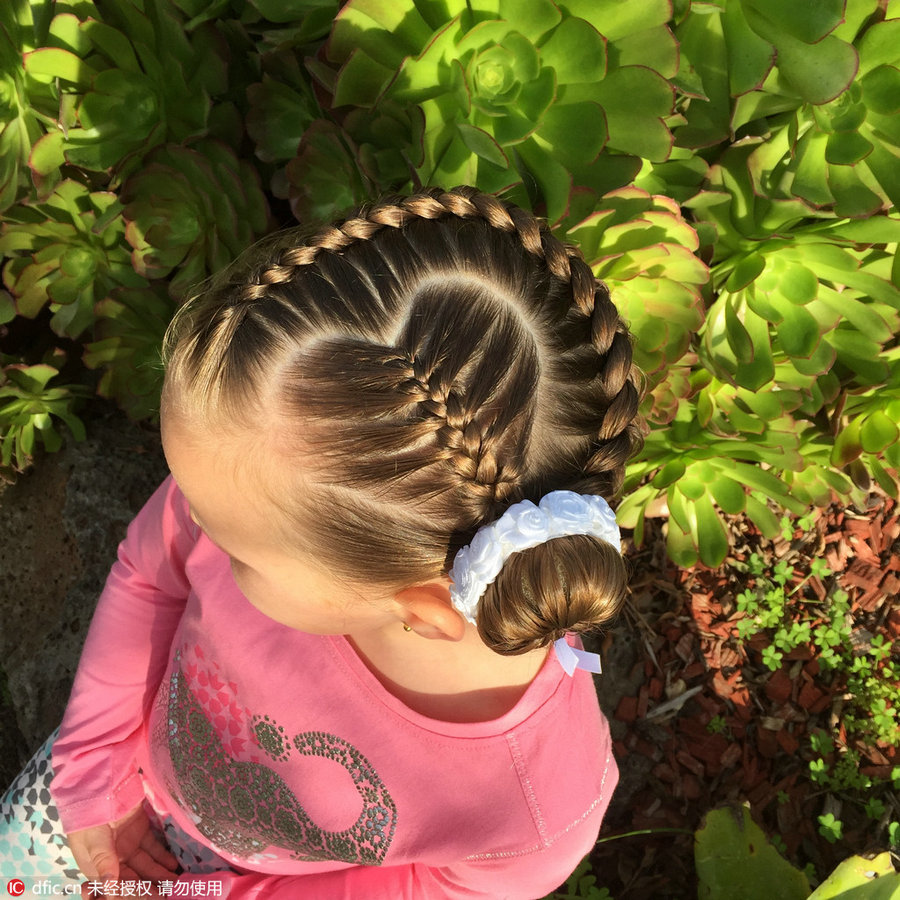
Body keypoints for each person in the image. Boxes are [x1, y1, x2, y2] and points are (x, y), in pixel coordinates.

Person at [0, 186, 642, 898]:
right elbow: (149, 574)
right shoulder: (266, 485)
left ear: (422, 608)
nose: (191, 522)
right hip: (102, 779)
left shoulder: (534, 810)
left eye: (236, 550)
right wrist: (91, 776)